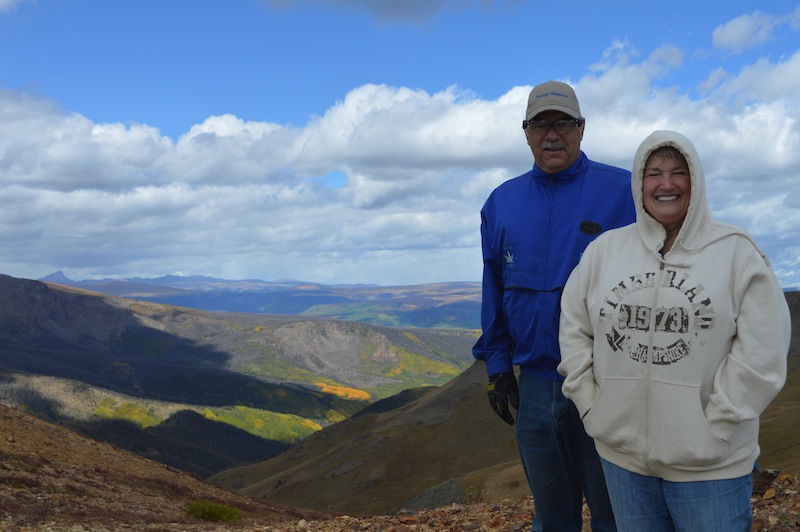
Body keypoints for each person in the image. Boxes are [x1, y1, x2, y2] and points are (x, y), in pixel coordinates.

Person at [558, 130, 791, 532]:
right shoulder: (605, 251)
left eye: (678, 172)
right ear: (638, 183)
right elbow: (574, 328)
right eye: (654, 173)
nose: (666, 183)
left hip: (710, 469)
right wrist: (593, 407)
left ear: (695, 181)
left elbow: (762, 353)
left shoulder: (736, 252)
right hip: (623, 462)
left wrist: (715, 428)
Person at [472, 80, 635, 531]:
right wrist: (497, 366)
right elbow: (495, 287)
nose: (552, 135)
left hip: (605, 383)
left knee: (613, 515)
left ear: (582, 128)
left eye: (562, 123)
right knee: (552, 517)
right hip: (537, 388)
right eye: (540, 125)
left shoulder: (625, 192)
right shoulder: (501, 203)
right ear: (525, 133)